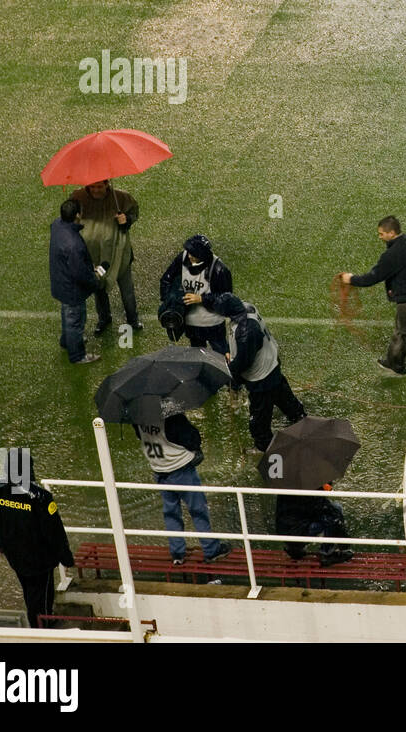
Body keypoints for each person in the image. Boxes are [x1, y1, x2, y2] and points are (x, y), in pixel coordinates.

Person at [340, 216, 406, 391]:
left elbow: (373, 277)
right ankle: (394, 363)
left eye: (381, 234)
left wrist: (351, 279)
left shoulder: (392, 255)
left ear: (391, 233)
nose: (379, 237)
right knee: (401, 329)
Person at [203, 292, 306, 451]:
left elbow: (243, 363)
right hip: (271, 365)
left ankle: (267, 450)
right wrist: (203, 299)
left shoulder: (245, 330)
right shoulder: (246, 307)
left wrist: (229, 372)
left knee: (259, 425)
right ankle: (301, 420)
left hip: (261, 380)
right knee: (286, 399)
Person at [0, 449, 75, 628]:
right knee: (42, 595)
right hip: (40, 559)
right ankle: (43, 626)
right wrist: (66, 558)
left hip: (14, 554)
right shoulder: (41, 497)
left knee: (29, 590)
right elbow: (55, 532)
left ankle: (36, 621)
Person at [134, 401, 233, 565]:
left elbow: (140, 435)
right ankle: (211, 550)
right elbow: (191, 437)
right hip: (181, 468)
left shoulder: (137, 413)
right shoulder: (170, 412)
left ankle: (177, 554)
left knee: (171, 512)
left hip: (159, 469)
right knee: (198, 509)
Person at [69, 179, 141, 336]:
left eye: (99, 186)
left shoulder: (121, 198)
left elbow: (134, 213)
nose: (96, 190)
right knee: (99, 288)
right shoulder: (77, 197)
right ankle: (104, 318)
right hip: (94, 257)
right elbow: (69, 218)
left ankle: (132, 318)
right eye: (92, 186)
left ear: (107, 184)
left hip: (118, 255)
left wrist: (126, 220)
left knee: (127, 290)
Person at [49, 198, 103, 365]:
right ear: (77, 215)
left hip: (61, 283)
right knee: (75, 321)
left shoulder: (57, 225)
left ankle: (67, 341)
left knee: (68, 315)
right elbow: (80, 273)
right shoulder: (73, 244)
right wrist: (94, 282)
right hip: (72, 289)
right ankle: (77, 355)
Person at [160, 234, 233, 354]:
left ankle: (227, 372)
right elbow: (166, 279)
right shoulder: (183, 257)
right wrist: (169, 301)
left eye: (193, 254)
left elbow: (227, 299)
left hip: (212, 323)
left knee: (221, 354)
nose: (189, 256)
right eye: (189, 252)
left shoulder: (219, 269)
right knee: (197, 355)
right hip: (190, 323)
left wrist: (201, 299)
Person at [275, 484, 353, 567]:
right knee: (334, 513)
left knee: (297, 518)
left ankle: (294, 549)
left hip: (284, 531)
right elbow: (328, 512)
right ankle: (327, 554)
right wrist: (344, 542)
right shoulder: (312, 491)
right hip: (298, 532)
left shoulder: (287, 484)